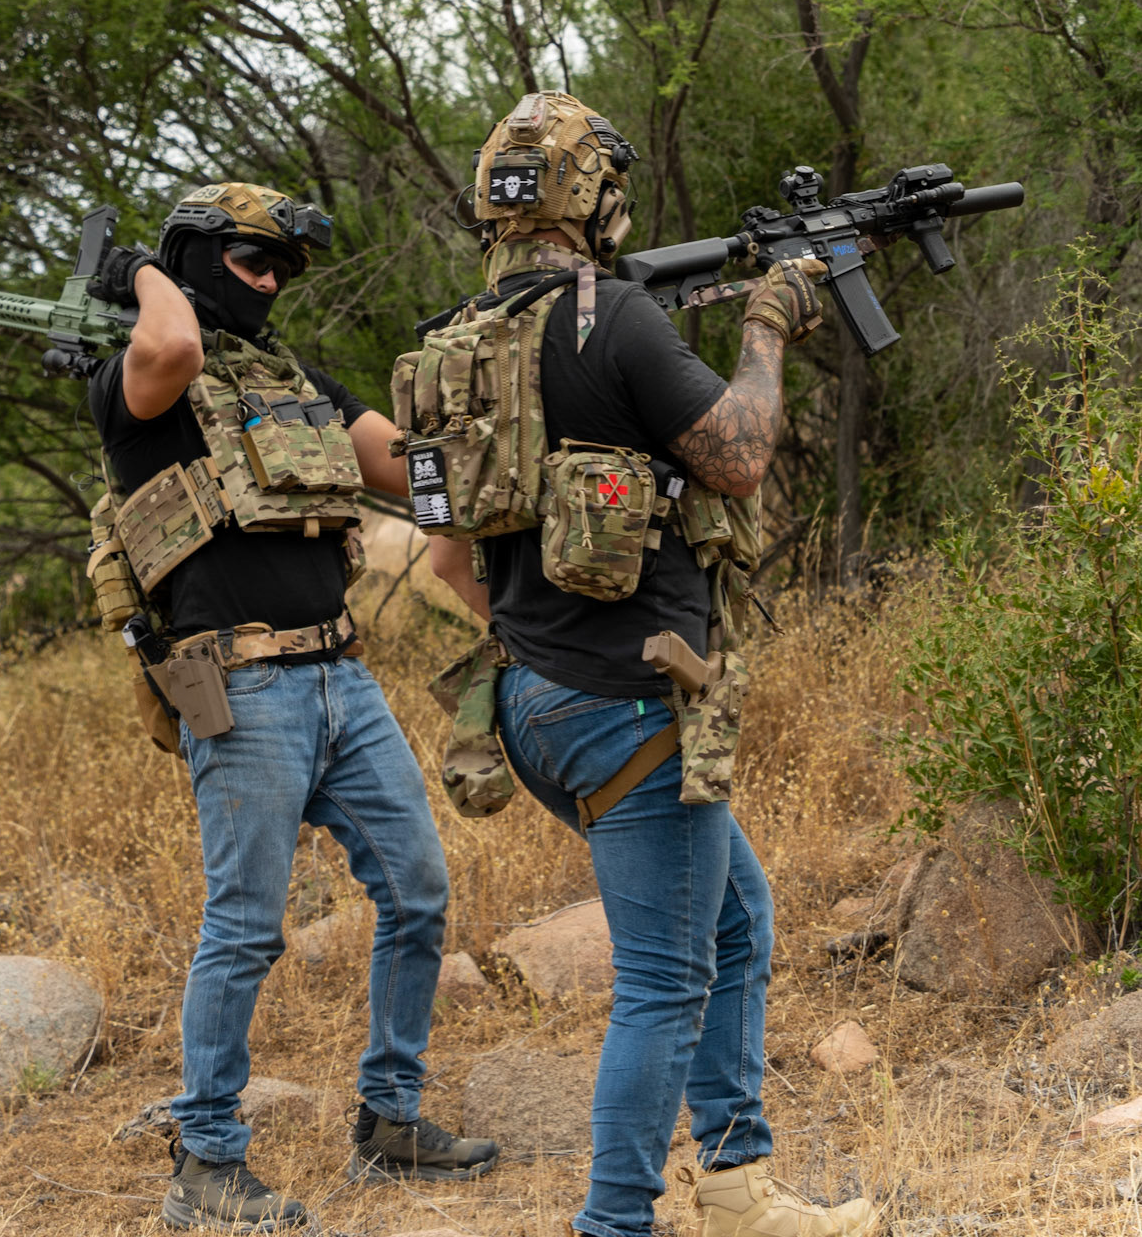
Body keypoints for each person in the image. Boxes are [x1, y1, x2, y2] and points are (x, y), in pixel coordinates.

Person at [422, 94, 880, 1237]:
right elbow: (739, 454)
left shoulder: (448, 346)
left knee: (737, 919)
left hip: (527, 700)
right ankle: (616, 1219)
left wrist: (549, 641)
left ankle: (736, 1186)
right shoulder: (612, 314)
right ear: (593, 199)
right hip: (626, 706)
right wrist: (767, 324)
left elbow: (446, 560)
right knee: (668, 977)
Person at [86, 182, 498, 1234]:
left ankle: (390, 1119)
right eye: (249, 261)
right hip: (242, 686)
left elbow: (406, 470)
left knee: (417, 890)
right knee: (244, 928)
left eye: (282, 268)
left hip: (340, 676)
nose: (269, 282)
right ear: (190, 259)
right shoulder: (135, 384)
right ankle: (206, 1163)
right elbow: (173, 342)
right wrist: (143, 274)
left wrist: (496, 462)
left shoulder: (294, 381)